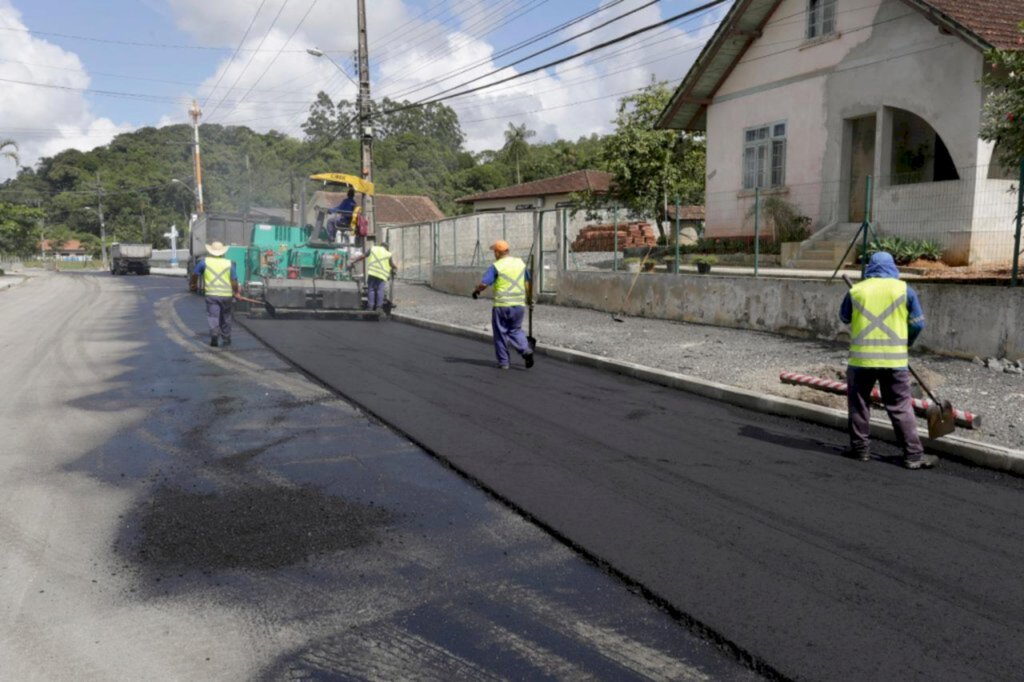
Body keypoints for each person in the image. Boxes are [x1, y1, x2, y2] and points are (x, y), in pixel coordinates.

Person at [840, 251, 937, 469]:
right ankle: (913, 455)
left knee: (859, 404)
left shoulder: (857, 291)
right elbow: (918, 323)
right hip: (894, 361)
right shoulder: (904, 290)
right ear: (893, 267)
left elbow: (844, 317)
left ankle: (860, 449)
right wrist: (907, 342)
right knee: (900, 405)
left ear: (870, 268)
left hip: (861, 361)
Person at [472, 240, 535, 370]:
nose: (493, 254)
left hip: (501, 306)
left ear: (497, 252)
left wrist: (476, 291)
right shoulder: (520, 263)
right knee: (515, 330)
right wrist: (530, 300)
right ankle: (525, 350)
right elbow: (528, 284)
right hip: (519, 305)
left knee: (500, 333)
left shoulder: (496, 266)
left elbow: (484, 283)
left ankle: (504, 362)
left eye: (494, 251)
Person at [190, 241, 239, 348]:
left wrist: (193, 285)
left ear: (211, 252)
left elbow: (195, 274)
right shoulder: (229, 263)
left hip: (211, 295)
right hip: (226, 296)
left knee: (213, 316)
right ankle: (226, 337)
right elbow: (234, 280)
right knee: (226, 316)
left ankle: (214, 334)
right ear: (222, 252)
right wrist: (236, 292)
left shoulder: (204, 262)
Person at [348, 239, 397, 311]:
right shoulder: (388, 253)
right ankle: (379, 307)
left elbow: (363, 256)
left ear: (380, 245)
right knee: (380, 290)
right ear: (386, 247)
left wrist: (354, 261)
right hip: (382, 275)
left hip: (372, 273)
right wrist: (395, 268)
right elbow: (391, 264)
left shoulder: (373, 249)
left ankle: (370, 307)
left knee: (371, 290)